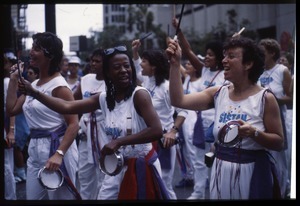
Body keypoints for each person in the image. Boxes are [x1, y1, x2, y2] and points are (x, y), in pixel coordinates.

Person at [18, 45, 170, 200]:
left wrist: (119, 142)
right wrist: (35, 92)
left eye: (127, 66)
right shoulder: (103, 98)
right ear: (108, 73)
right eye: (117, 67)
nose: (124, 70)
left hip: (141, 166)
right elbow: (67, 106)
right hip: (116, 168)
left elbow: (157, 130)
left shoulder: (140, 95)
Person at [166, 36, 284, 199]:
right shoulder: (218, 93)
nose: (224, 61)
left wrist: (254, 133)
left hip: (253, 171)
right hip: (220, 169)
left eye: (231, 56)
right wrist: (174, 64)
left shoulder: (265, 98)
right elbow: (178, 100)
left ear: (248, 64)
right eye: (224, 56)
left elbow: (278, 142)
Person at [6, 32, 80, 200]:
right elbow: (11, 109)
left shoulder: (60, 86)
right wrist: (13, 80)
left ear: (50, 56)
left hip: (57, 147)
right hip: (35, 150)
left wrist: (59, 154)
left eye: (37, 49)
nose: (31, 52)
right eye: (32, 47)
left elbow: (73, 124)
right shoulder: (34, 85)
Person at [172, 17, 226, 199]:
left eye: (211, 54)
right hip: (201, 122)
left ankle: (217, 192)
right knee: (199, 159)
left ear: (219, 56)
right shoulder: (203, 70)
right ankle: (198, 193)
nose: (207, 57)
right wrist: (178, 30)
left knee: (217, 160)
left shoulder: (226, 74)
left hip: (218, 123)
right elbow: (187, 50)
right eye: (206, 54)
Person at [132, 39, 188, 199]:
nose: (141, 64)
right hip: (145, 141)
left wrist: (173, 131)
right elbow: (136, 67)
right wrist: (135, 52)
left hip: (163, 142)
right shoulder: (147, 81)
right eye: (141, 60)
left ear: (153, 66)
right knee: (147, 183)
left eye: (144, 61)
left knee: (163, 184)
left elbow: (183, 111)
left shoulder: (166, 87)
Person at [258, 38, 293, 198]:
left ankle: (284, 190)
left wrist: (272, 97)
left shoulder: (282, 70)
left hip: (280, 119)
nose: (259, 55)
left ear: (272, 53)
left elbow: (291, 98)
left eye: (263, 52)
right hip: (262, 119)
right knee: (267, 157)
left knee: (280, 159)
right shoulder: (258, 70)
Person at [72, 48, 106, 199]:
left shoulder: (113, 81)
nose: (93, 63)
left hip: (104, 136)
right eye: (92, 60)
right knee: (85, 177)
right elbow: (74, 101)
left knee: (104, 178)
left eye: (97, 61)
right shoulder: (85, 79)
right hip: (85, 137)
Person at [4, 52, 17, 200]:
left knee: (6, 167)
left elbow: (11, 109)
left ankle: (10, 197)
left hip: (6, 128)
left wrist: (11, 131)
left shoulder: (7, 82)